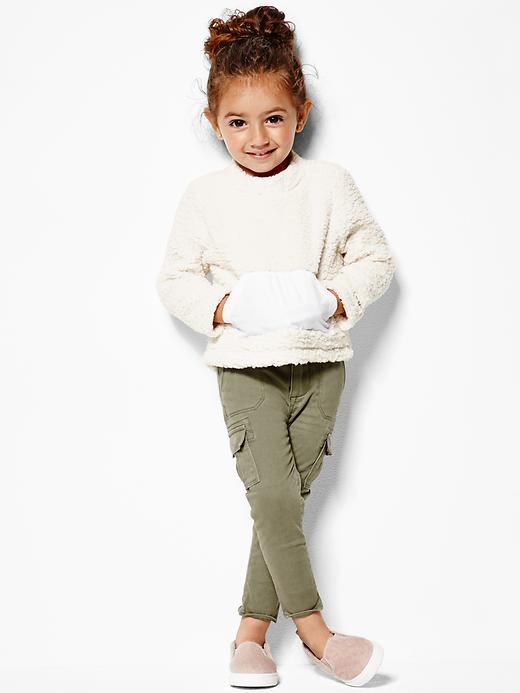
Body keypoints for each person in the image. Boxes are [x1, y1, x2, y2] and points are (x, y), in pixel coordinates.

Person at [156, 5, 396, 688]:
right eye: (237, 122)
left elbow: (376, 260)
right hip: (246, 368)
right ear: (214, 123)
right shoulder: (205, 196)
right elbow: (174, 279)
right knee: (273, 494)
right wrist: (228, 307)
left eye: (273, 118)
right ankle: (318, 635)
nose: (257, 137)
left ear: (302, 113)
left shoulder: (330, 185)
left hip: (321, 366)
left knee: (284, 498)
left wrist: (330, 298)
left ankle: (250, 635)